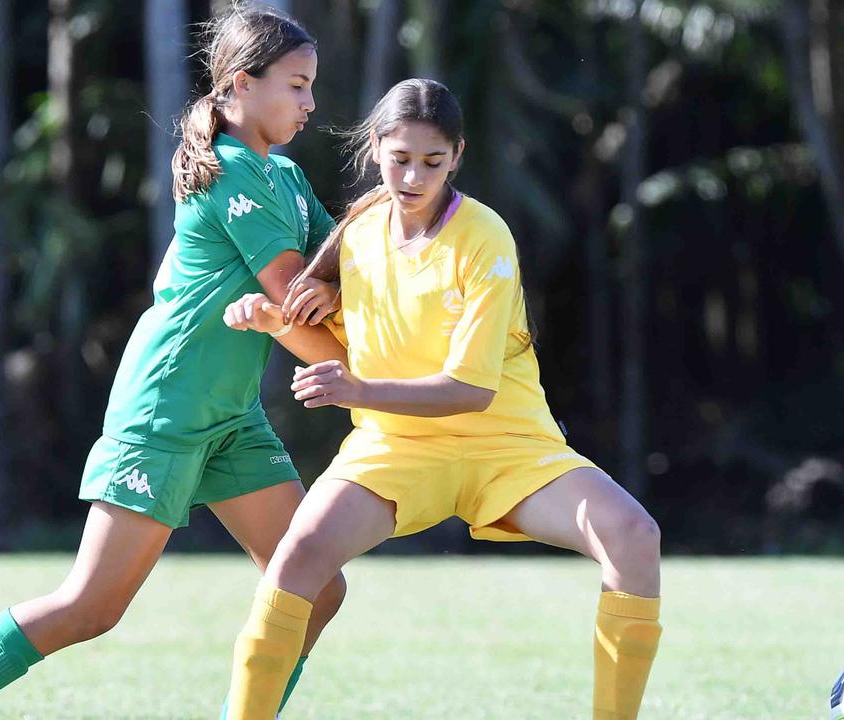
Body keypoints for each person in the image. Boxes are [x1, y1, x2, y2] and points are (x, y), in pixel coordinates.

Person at [0, 5, 348, 719]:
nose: (310, 103)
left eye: (311, 87)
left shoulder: (284, 176)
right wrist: (364, 344)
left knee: (316, 589)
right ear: (242, 84)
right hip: (168, 407)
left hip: (230, 416)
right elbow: (295, 297)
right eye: (297, 86)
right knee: (92, 606)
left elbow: (340, 268)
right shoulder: (239, 174)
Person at [220, 78, 663, 720]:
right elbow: (341, 344)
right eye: (399, 158)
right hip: (394, 448)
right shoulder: (361, 228)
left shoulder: (485, 237)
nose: (413, 176)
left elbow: (472, 390)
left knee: (635, 535)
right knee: (296, 556)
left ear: (457, 156)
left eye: (432, 161)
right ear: (376, 149)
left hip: (510, 448)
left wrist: (358, 390)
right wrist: (273, 320)